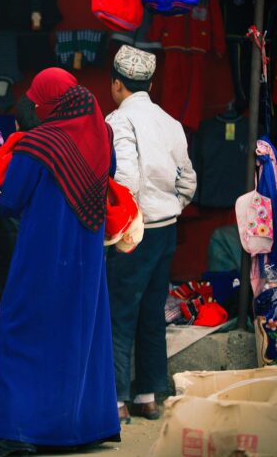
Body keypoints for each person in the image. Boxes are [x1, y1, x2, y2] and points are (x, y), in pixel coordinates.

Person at [0, 68, 120, 456]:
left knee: (22, 332)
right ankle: (81, 429)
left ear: (47, 102)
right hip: (86, 256)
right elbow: (109, 176)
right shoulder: (102, 136)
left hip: (42, 253)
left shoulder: (39, 143)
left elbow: (10, 200)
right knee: (78, 336)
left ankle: (16, 431)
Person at [105, 45, 197, 423]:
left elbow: (125, 178)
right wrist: (170, 208)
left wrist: (132, 218)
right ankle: (147, 397)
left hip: (135, 229)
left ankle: (117, 401)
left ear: (116, 84)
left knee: (120, 312)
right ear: (151, 85)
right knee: (152, 312)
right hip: (166, 228)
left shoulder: (118, 121)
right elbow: (187, 180)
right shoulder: (170, 122)